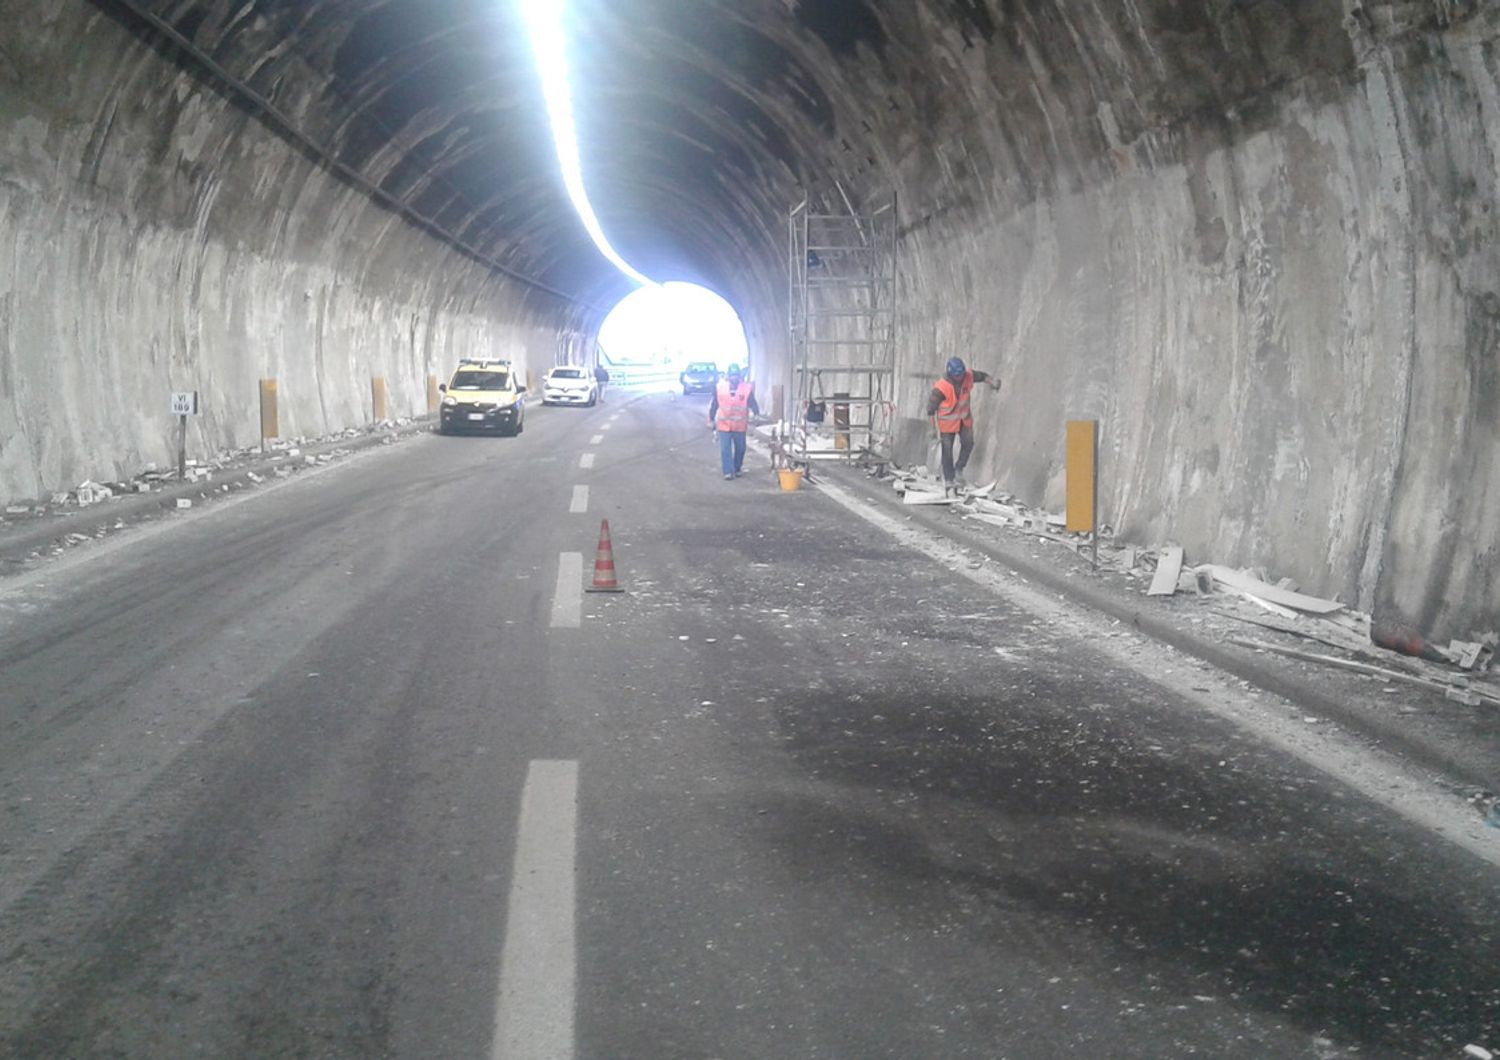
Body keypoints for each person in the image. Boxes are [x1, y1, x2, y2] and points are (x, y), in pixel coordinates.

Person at [924, 356, 1000, 495]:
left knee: (968, 443)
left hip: (964, 420)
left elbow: (982, 376)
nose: (960, 378)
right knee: (947, 452)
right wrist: (932, 428)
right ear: (950, 374)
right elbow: (930, 409)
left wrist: (992, 381)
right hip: (947, 424)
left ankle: (959, 468)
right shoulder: (940, 388)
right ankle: (949, 480)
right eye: (957, 376)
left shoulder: (968, 376)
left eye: (961, 375)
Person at [707, 364, 760, 480]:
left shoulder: (745, 389)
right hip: (724, 425)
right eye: (732, 376)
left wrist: (756, 413)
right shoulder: (720, 388)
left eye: (736, 376)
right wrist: (711, 419)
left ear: (739, 376)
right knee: (725, 449)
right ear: (728, 376)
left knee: (740, 449)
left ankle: (737, 468)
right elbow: (714, 405)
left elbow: (752, 402)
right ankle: (727, 471)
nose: (734, 378)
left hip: (739, 426)